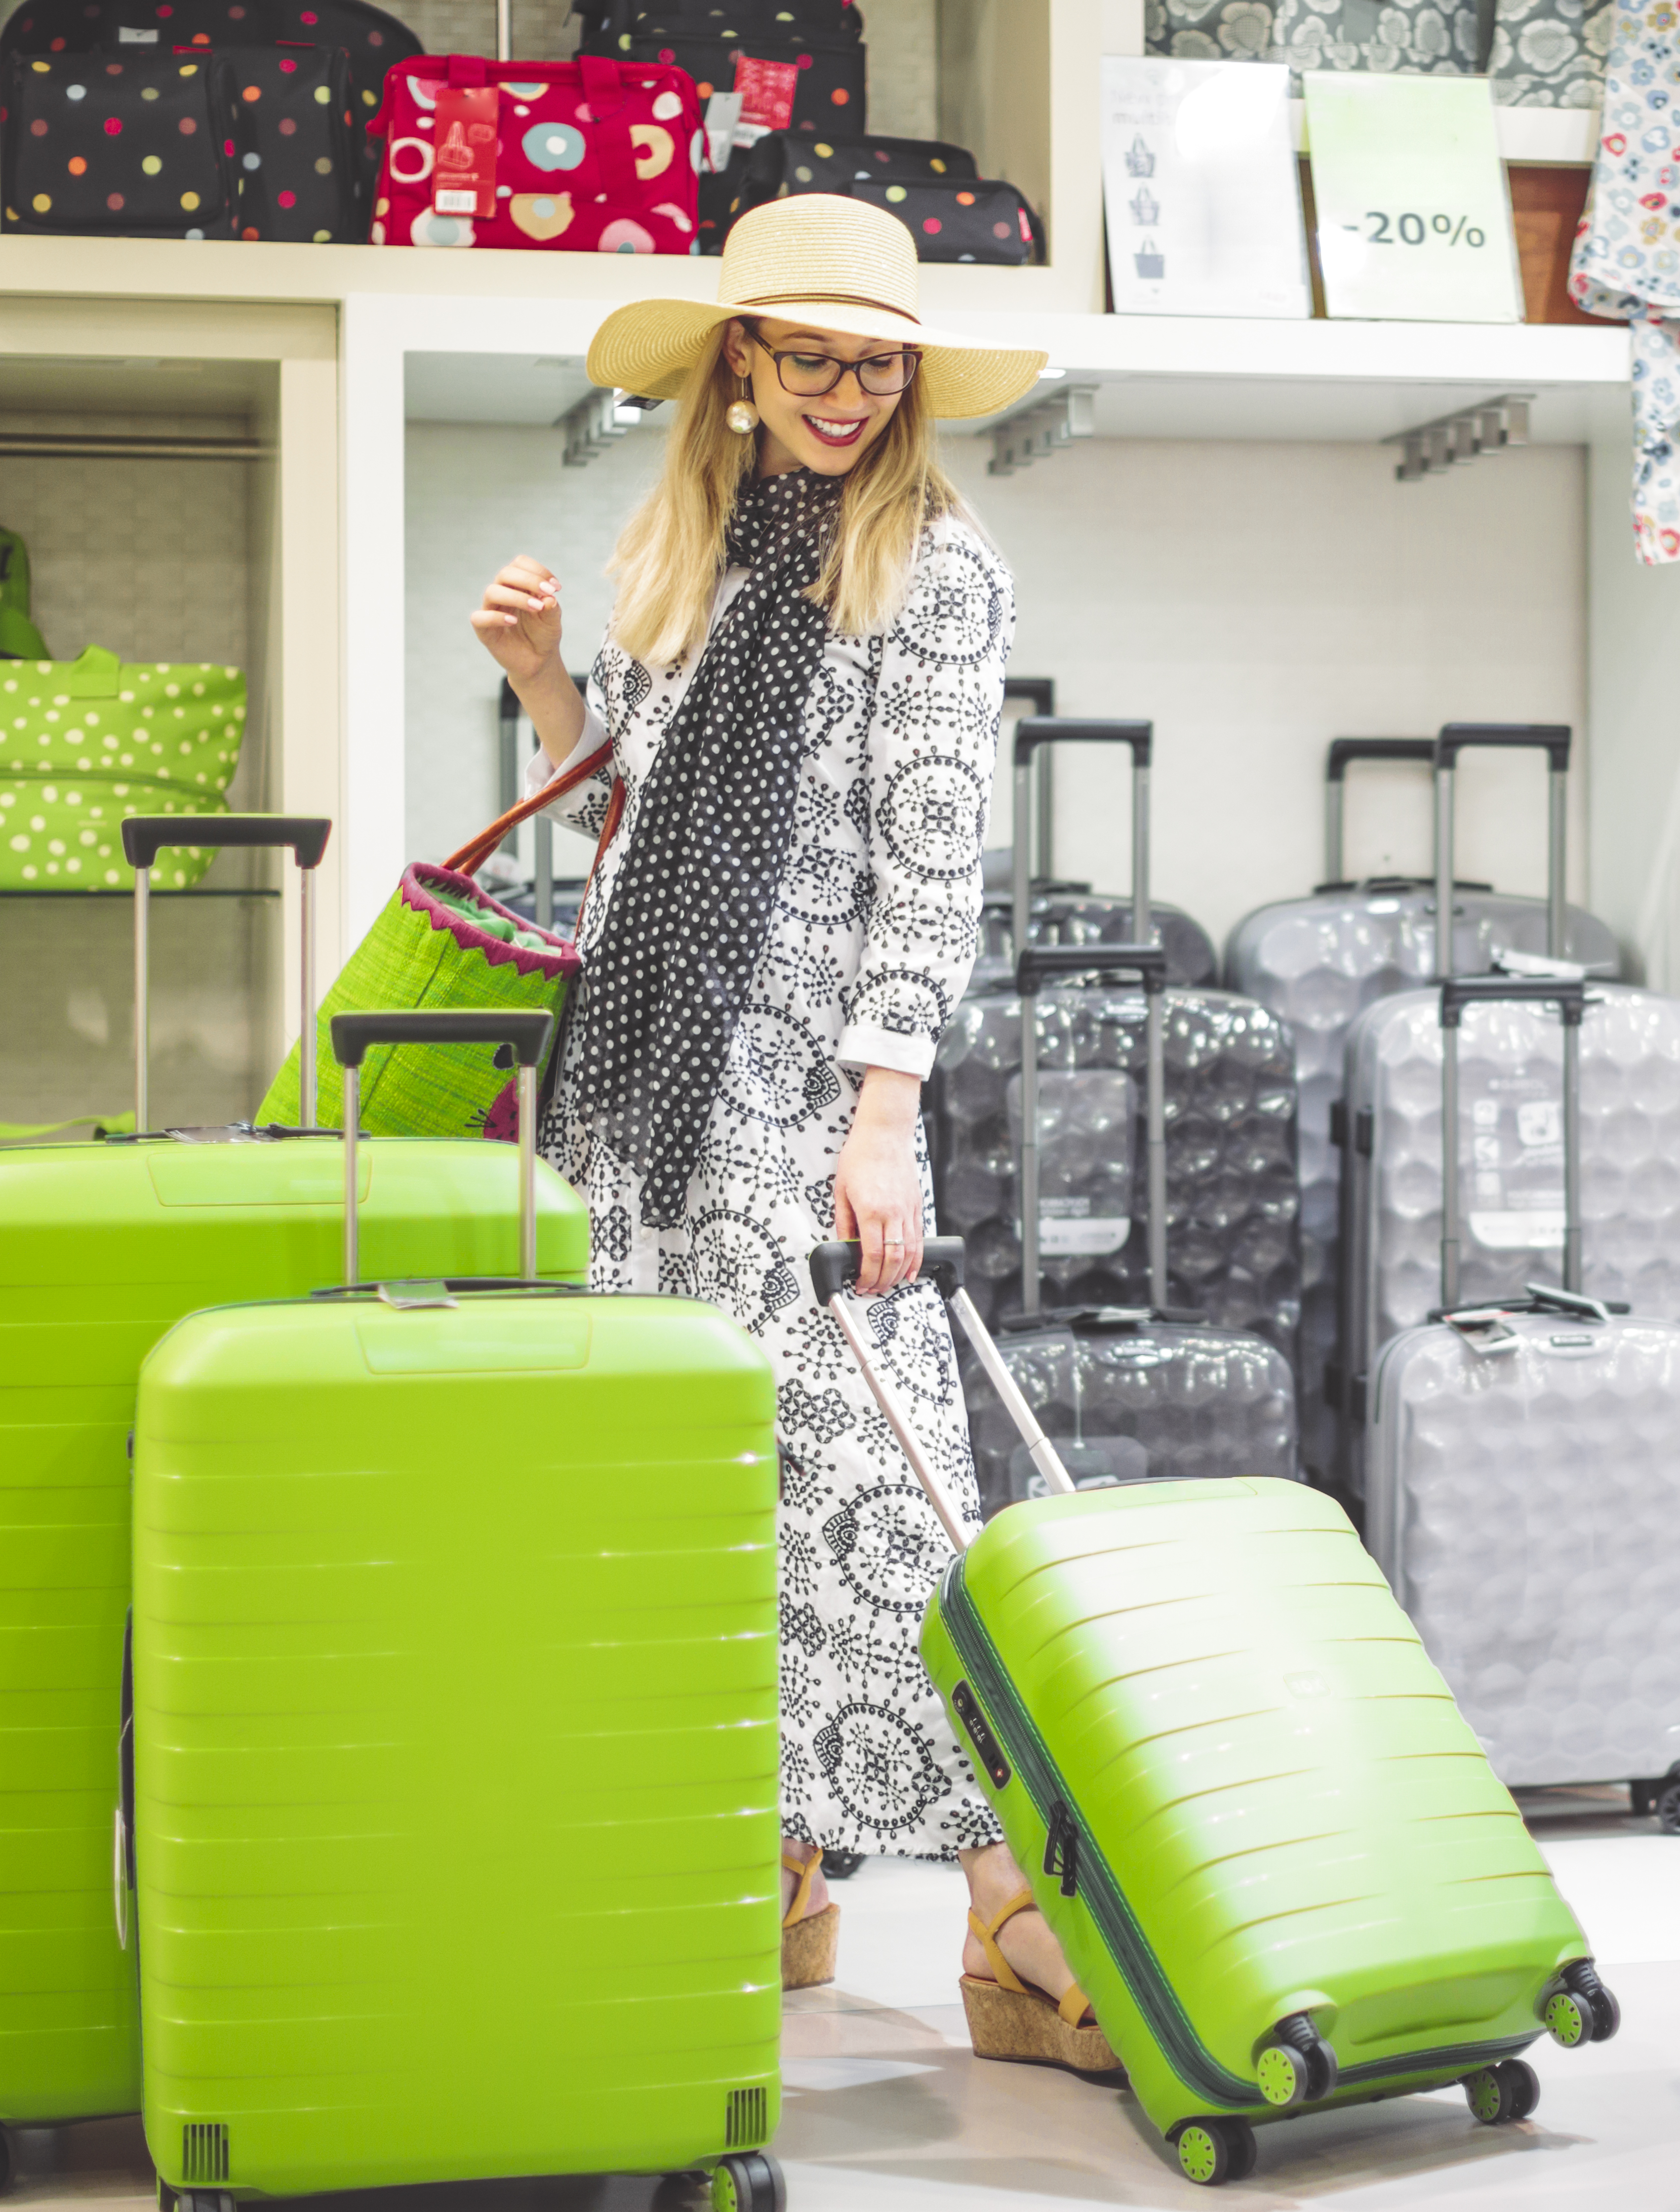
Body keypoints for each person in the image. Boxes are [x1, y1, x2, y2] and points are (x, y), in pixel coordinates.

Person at [467, 195, 1113, 2079]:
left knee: (875, 1485)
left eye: (876, 360)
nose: (847, 392)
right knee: (680, 1479)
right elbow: (640, 828)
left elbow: (931, 865)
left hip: (810, 1092)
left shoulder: (937, 564)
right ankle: (773, 1869)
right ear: (739, 365)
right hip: (640, 1082)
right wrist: (541, 691)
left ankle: (1007, 1899)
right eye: (810, 355)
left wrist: (889, 1113)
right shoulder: (694, 549)